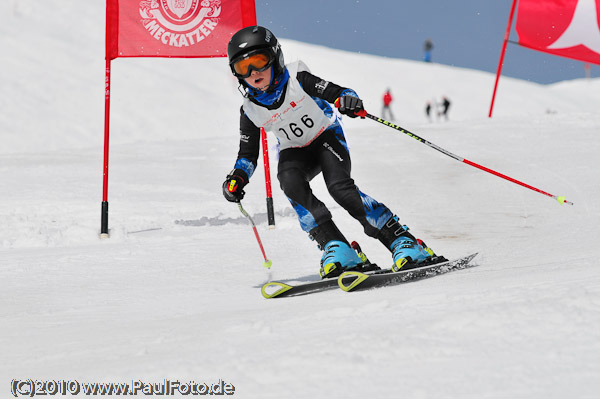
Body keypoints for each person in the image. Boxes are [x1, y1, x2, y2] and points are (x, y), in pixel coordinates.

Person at [222, 26, 436, 279]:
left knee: (339, 188)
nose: (253, 72)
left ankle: (403, 241)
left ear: (275, 57)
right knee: (290, 182)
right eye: (242, 67)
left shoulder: (297, 78)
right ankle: (338, 248)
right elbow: (248, 155)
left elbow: (339, 92)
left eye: (259, 61)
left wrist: (348, 100)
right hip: (295, 151)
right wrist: (238, 177)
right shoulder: (249, 110)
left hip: (326, 138)